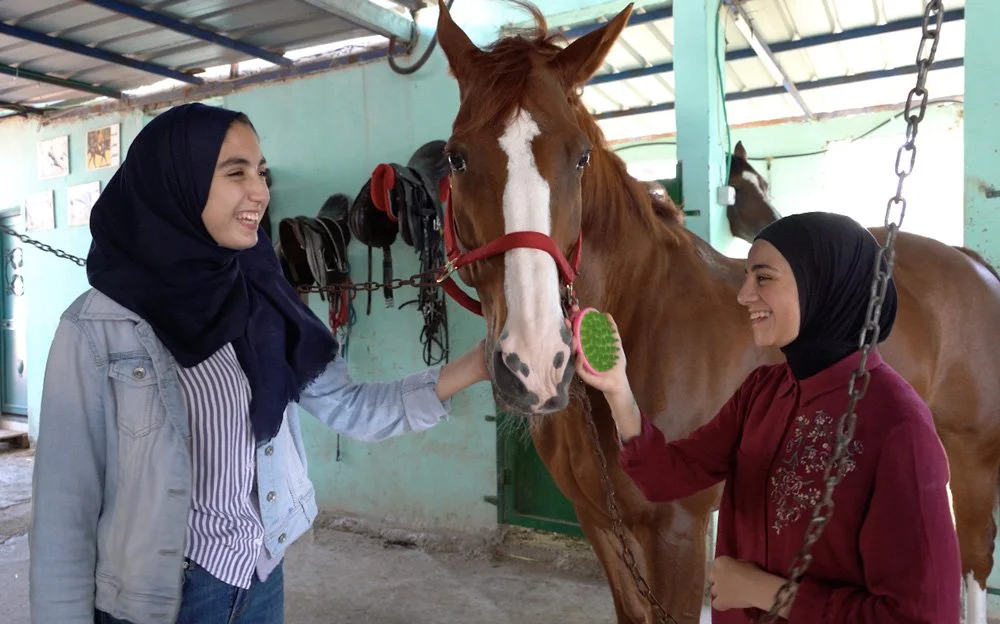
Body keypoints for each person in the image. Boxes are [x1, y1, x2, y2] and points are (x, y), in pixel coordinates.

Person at [28, 102, 491, 624]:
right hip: (165, 597)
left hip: (261, 575)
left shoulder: (261, 294)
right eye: (235, 173)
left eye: (262, 172)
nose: (260, 192)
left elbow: (350, 406)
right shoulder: (96, 329)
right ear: (174, 183)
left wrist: (478, 364)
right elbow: (64, 517)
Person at [575, 211, 962, 623]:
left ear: (822, 285)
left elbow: (921, 615)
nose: (743, 295)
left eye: (763, 278)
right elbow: (667, 477)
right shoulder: (763, 391)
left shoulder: (897, 425)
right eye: (746, 277)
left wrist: (765, 592)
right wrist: (618, 390)